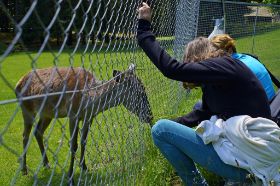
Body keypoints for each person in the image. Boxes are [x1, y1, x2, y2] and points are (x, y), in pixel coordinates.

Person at [137, 2, 273, 186]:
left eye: (191, 64)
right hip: (253, 157)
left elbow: (171, 69)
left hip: (250, 163)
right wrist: (176, 123)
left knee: (160, 130)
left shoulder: (223, 67)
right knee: (181, 123)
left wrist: (144, 30)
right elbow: (203, 112)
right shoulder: (222, 73)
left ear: (198, 59)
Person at [176, 34, 276, 127]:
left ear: (229, 50)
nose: (215, 55)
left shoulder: (229, 67)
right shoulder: (244, 58)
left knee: (200, 108)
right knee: (202, 106)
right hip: (268, 105)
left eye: (217, 52)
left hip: (256, 117)